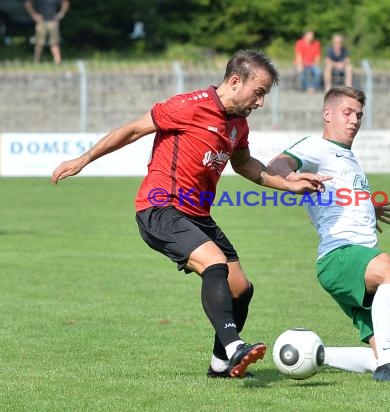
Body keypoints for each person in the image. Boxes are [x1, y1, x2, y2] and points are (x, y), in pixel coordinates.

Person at [51, 50, 328, 379]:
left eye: (265, 95)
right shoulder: (189, 105)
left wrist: (288, 183)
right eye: (259, 92)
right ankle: (233, 345)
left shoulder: (238, 124)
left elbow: (244, 165)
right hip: (160, 207)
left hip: (197, 215)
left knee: (241, 287)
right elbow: (133, 130)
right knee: (214, 263)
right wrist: (83, 160)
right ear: (236, 81)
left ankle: (220, 365)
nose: (261, 102)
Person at [268, 87, 390, 382]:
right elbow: (276, 165)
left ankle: (313, 353)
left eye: (359, 115)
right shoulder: (315, 147)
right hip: (339, 256)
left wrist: (369, 208)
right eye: (347, 113)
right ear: (327, 114)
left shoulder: (348, 157)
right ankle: (385, 370)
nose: (354, 120)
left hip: (360, 257)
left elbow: (337, 195)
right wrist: (293, 177)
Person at [25, 0, 70, 64]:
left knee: (54, 43)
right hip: (41, 22)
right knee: (39, 43)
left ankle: (58, 61)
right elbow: (27, 3)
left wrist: (60, 14)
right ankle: (36, 61)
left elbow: (65, 2)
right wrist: (34, 15)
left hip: (53, 22)